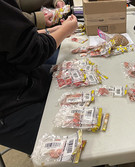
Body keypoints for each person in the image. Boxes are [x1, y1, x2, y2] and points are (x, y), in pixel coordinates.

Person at [0, 0, 78, 155]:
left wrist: (50, 31)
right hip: (9, 105)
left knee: (74, 77)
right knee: (76, 146)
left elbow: (11, 38)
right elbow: (33, 51)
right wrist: (63, 31)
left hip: (20, 78)